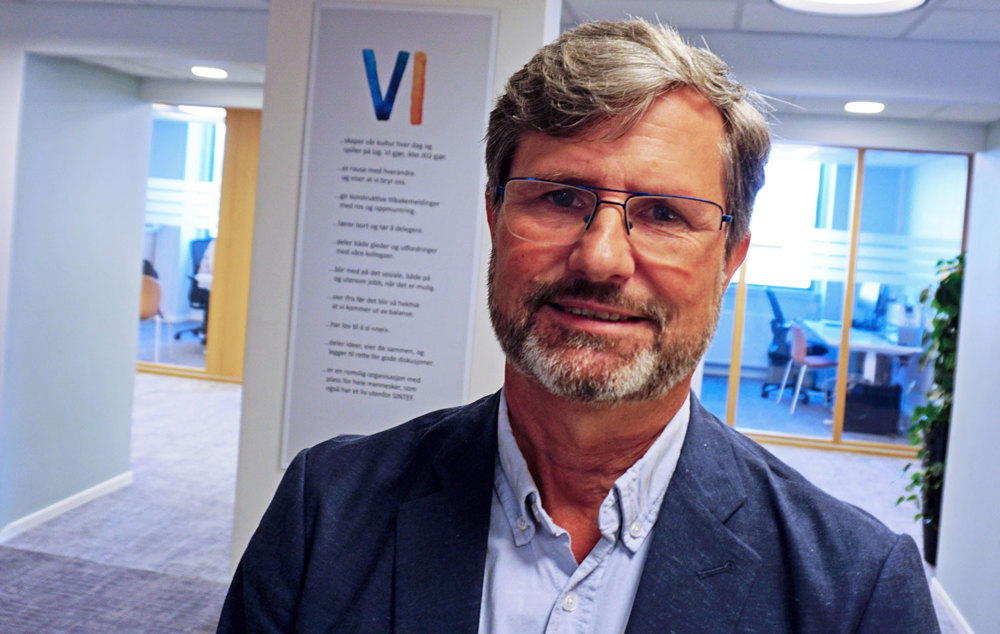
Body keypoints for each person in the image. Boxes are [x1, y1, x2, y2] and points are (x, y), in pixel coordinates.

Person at [218, 19, 938, 633]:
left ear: (730, 258)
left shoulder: (855, 591)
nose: (600, 257)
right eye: (561, 197)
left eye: (663, 214)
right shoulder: (327, 511)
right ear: (495, 217)